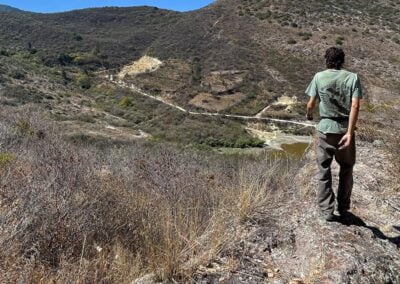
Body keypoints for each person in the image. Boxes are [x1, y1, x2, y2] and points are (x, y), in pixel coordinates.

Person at [305, 47, 362, 222]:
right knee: (346, 168)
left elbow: (311, 103)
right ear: (342, 60)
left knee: (324, 169)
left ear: (326, 60)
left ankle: (326, 210)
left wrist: (309, 114)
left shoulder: (319, 77)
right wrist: (349, 132)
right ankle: (343, 208)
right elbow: (355, 106)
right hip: (344, 128)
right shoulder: (353, 78)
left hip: (325, 128)